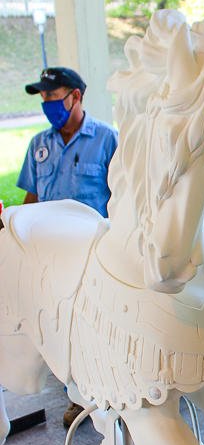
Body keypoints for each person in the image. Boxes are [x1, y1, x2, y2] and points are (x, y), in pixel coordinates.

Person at [17, 66, 118, 425]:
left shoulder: (108, 139)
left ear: (76, 96)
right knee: (62, 331)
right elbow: (31, 198)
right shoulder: (39, 145)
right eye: (43, 97)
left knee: (101, 327)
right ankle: (77, 397)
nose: (47, 103)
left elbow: (124, 198)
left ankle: (110, 393)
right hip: (49, 257)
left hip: (96, 255)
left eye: (53, 96)